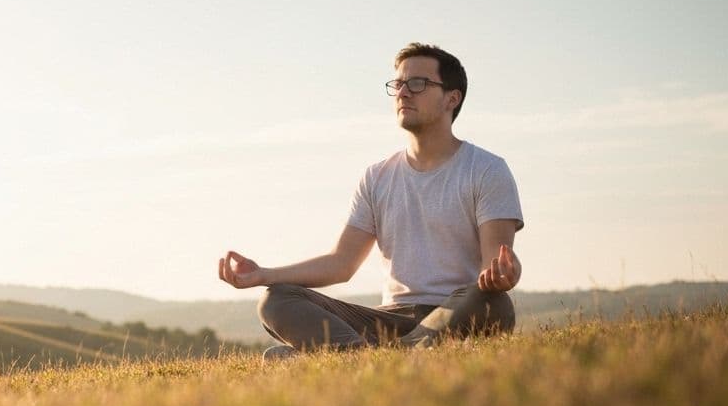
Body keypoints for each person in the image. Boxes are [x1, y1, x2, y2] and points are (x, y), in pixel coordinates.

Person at [217, 43, 524, 358]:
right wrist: (262, 274)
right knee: (277, 300)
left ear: (452, 98)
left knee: (494, 304)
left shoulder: (486, 169)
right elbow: (341, 263)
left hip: (455, 311)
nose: (403, 92)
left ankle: (354, 359)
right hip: (386, 319)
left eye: (417, 84)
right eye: (399, 84)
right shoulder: (377, 176)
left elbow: (494, 266)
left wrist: (502, 275)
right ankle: (381, 356)